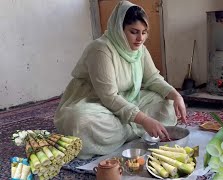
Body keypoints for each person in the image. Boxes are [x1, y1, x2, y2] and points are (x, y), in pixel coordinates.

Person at [54, 0, 186, 159]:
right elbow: (109, 97)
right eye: (134, 31)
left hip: (128, 100)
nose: (140, 38)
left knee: (168, 103)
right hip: (96, 103)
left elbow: (153, 78)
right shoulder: (101, 49)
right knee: (80, 121)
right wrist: (144, 120)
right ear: (119, 29)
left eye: (144, 32)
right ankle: (134, 128)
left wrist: (175, 95)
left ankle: (125, 129)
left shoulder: (139, 50)